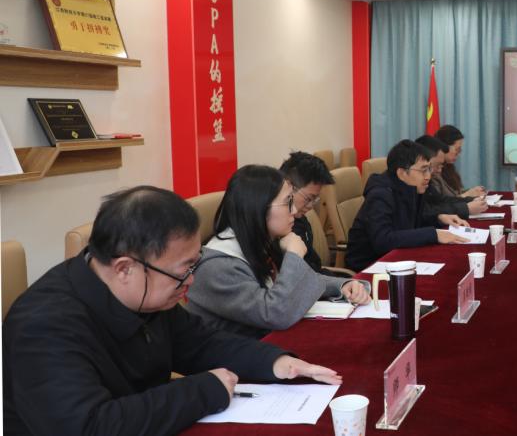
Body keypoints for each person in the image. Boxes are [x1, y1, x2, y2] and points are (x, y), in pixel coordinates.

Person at [2, 186, 342, 436]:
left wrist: (275, 362)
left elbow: (199, 342)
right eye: (183, 270)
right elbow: (90, 427)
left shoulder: (143, 292)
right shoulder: (43, 326)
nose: (190, 282)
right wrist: (204, 390)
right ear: (124, 268)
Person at [185, 165, 370, 338]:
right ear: (258, 208)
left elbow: (292, 283)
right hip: (232, 357)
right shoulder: (218, 266)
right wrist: (294, 256)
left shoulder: (260, 241)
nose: (295, 210)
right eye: (287, 202)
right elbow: (275, 313)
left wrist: (341, 286)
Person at [345, 139, 471, 272]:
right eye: (423, 170)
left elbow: (412, 222)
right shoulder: (380, 195)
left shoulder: (412, 187)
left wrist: (439, 218)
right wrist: (433, 234)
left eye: (429, 169)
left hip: (398, 259)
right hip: (369, 266)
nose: (428, 176)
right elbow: (383, 240)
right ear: (402, 173)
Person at [279, 151, 335, 273]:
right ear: (288, 188)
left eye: (315, 200)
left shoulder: (301, 220)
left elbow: (313, 267)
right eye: (309, 199)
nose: (310, 206)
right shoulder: (280, 229)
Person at [416, 135, 488, 219]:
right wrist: (466, 208)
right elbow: (426, 212)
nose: (439, 170)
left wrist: (470, 200)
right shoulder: (415, 182)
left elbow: (440, 200)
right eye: (437, 165)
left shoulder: (448, 170)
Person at [435, 124, 486, 198]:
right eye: (457, 149)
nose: (459, 153)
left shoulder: (449, 167)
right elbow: (441, 202)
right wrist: (467, 194)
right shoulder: (434, 171)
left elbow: (454, 193)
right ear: (444, 147)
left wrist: (472, 191)